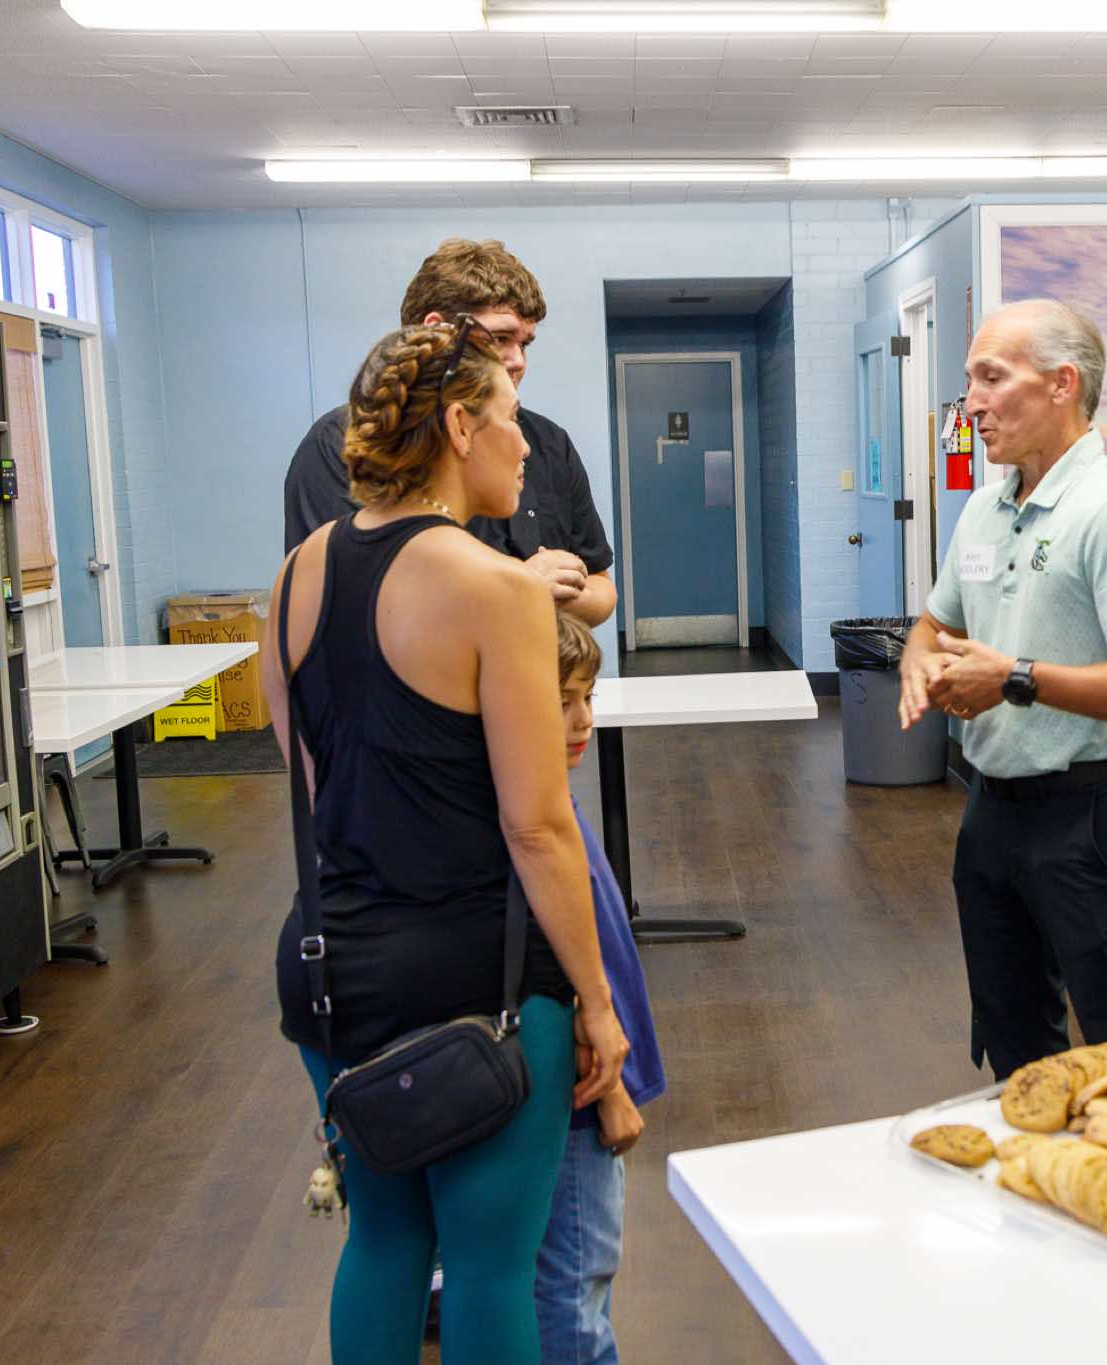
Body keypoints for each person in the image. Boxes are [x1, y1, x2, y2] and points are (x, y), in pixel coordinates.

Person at [267, 316, 629, 1365]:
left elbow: (314, 791)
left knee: (383, 1240)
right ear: (461, 428)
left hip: (332, 962)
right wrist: (598, 1002)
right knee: (488, 1267)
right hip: (480, 971)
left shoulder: (294, 576)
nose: (526, 443)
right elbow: (537, 823)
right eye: (510, 418)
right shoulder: (493, 586)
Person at [897, 299, 1107, 1080]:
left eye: (992, 378)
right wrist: (919, 666)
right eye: (970, 381)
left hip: (1089, 817)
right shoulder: (984, 508)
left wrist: (1015, 678)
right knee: (1016, 1046)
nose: (972, 403)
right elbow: (931, 624)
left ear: (1063, 384)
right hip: (991, 814)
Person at [284, 237, 617, 628]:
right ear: (437, 332)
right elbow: (337, 605)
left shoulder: (548, 443)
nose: (518, 361)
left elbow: (601, 587)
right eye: (500, 338)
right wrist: (517, 588)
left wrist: (549, 591)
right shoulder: (343, 445)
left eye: (525, 344)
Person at [535, 613, 667, 1365]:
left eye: (588, 698)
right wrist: (611, 1090)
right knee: (577, 1274)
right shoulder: (537, 825)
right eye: (562, 702)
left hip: (586, 1087)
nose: (584, 719)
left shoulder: (551, 803)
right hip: (582, 1096)